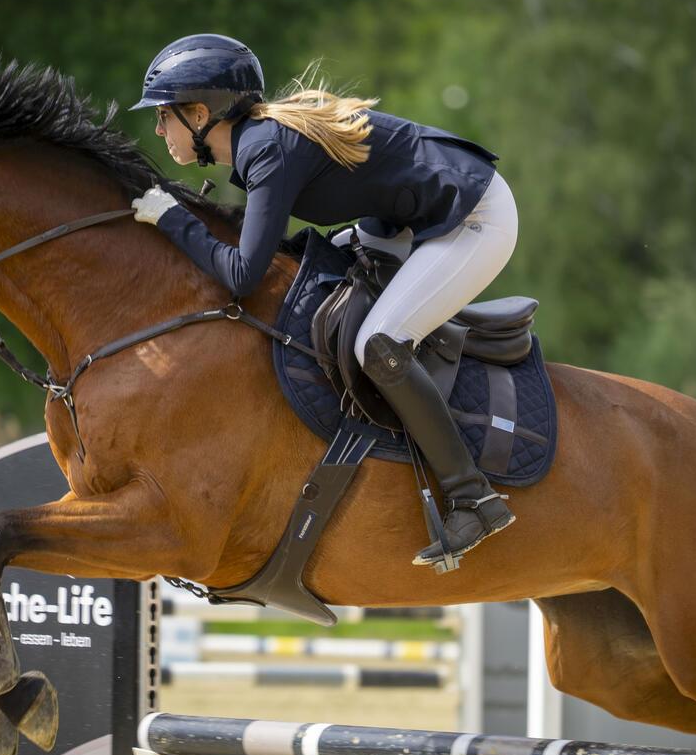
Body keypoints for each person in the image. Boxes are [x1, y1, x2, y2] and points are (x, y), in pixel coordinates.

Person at [129, 33, 516, 566]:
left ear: (199, 114)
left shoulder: (265, 147)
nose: (157, 128)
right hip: (403, 221)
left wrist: (171, 218)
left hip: (473, 215)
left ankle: (473, 496)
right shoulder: (260, 143)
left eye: (164, 115)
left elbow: (242, 275)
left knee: (379, 343)